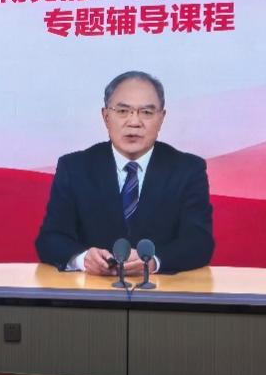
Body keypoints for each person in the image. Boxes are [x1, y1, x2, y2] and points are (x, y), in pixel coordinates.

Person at [35, 71, 213, 276]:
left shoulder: (188, 170)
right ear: (106, 116)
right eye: (123, 111)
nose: (134, 122)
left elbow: (199, 242)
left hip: (161, 290)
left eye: (146, 112)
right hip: (92, 289)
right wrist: (83, 259)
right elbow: (51, 239)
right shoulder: (75, 168)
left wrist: (154, 261)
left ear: (161, 118)